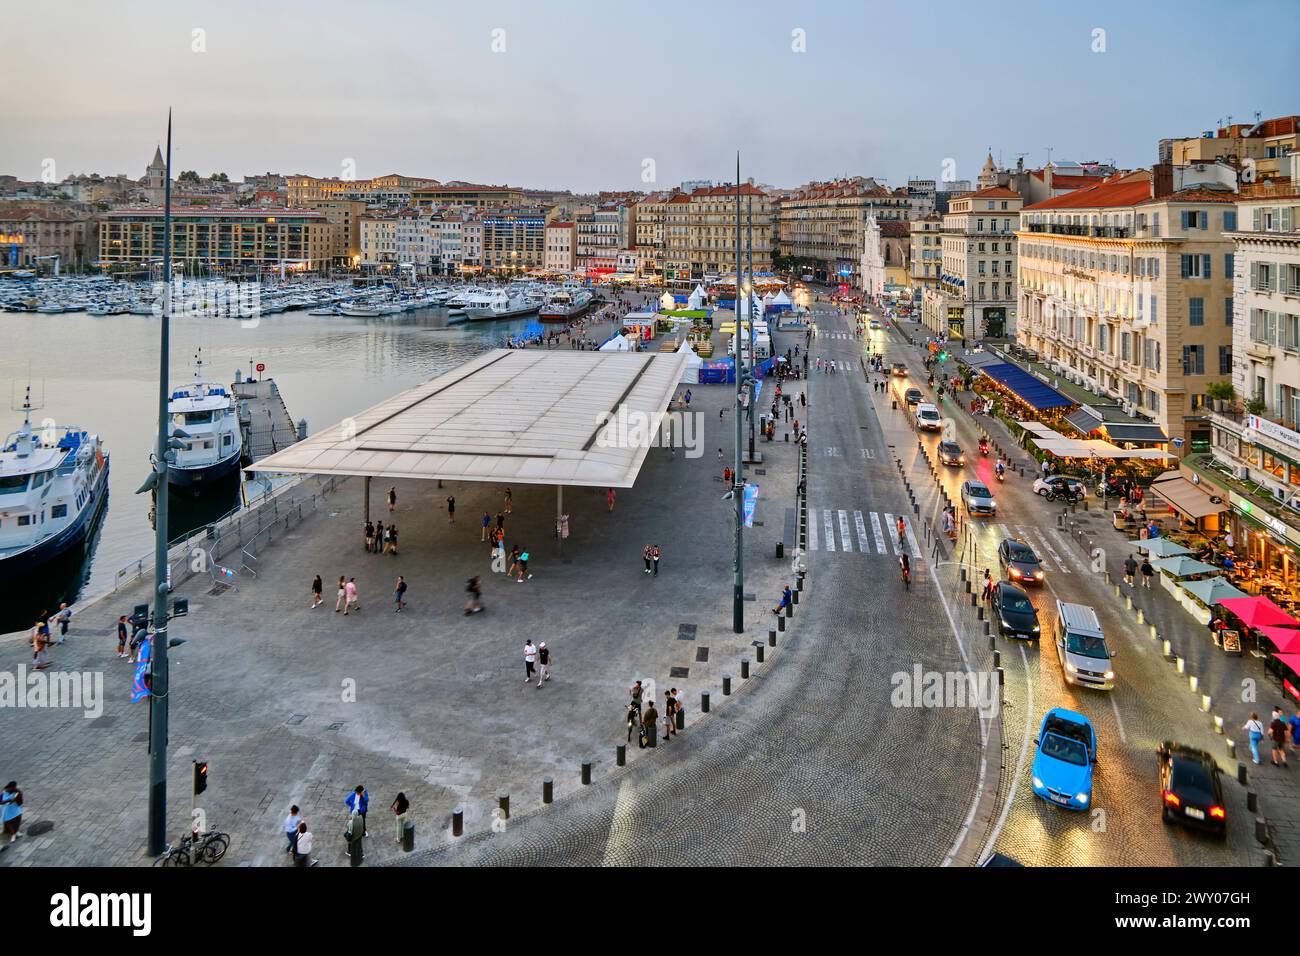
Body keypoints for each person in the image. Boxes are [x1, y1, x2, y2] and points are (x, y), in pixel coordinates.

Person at [0, 782, 22, 850]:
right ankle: (13, 834)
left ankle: (17, 832)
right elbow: (0, 802)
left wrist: (16, 799)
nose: (13, 789)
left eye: (14, 788)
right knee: (9, 822)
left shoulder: (17, 792)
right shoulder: (3, 793)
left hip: (15, 809)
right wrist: (8, 800)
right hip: (7, 811)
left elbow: (20, 801)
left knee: (17, 820)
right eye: (11, 788)